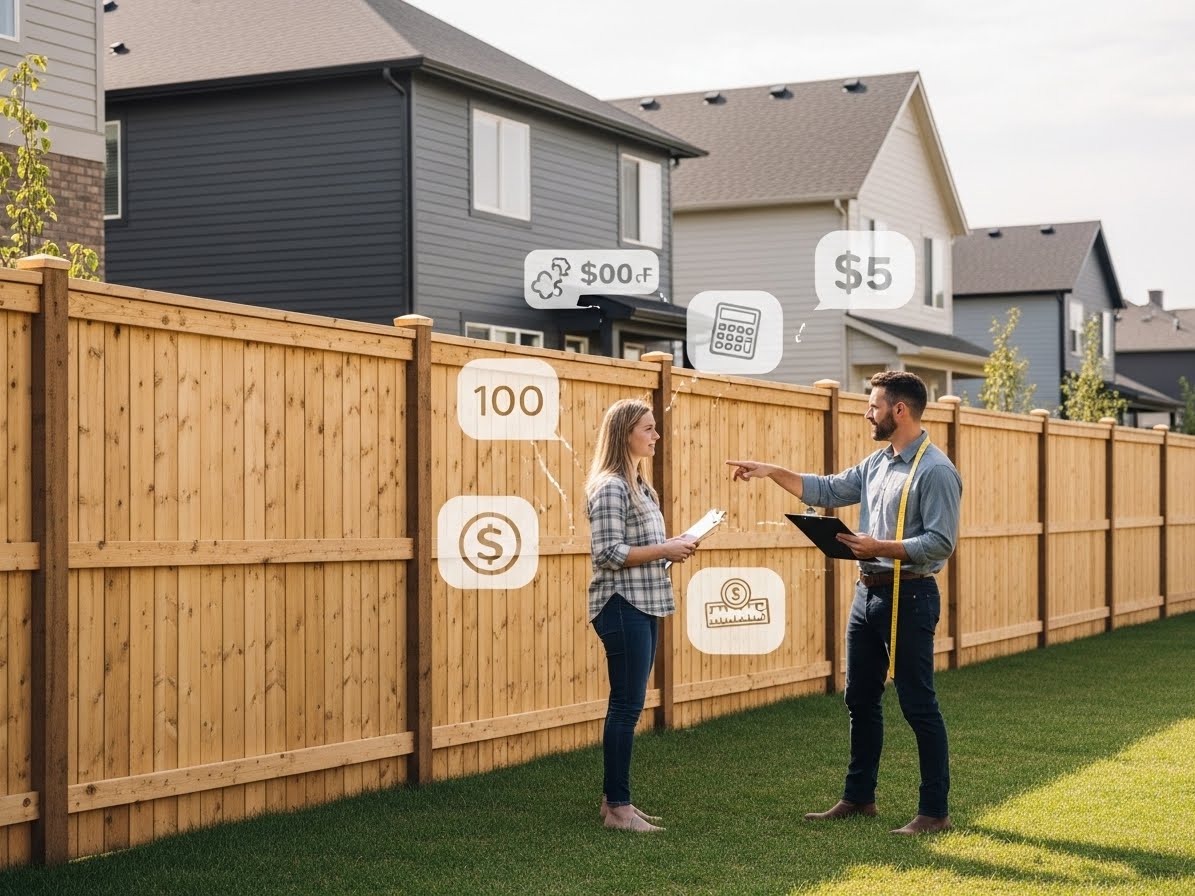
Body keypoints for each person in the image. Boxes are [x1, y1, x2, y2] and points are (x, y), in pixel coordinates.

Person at [726, 371, 960, 835]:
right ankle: (859, 798)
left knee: (917, 704)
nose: (866, 414)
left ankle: (934, 812)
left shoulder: (935, 470)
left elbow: (940, 542)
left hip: (909, 595)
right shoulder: (878, 463)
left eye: (873, 406)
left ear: (900, 411)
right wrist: (771, 471)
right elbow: (828, 490)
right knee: (859, 697)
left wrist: (881, 548)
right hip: (867, 594)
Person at [585, 398, 696, 832]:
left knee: (628, 705)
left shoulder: (639, 484)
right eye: (648, 429)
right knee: (626, 707)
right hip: (621, 605)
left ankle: (615, 801)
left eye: (655, 428)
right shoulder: (611, 485)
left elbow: (640, 549)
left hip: (644, 601)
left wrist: (675, 546)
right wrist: (666, 549)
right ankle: (618, 808)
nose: (656, 436)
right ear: (624, 434)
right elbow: (608, 553)